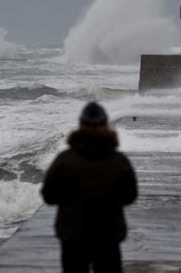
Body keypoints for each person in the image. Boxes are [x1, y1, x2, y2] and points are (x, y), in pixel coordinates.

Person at [41, 102, 138, 273]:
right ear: (105, 124)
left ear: (81, 124)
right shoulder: (118, 161)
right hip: (108, 236)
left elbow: (48, 196)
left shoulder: (65, 159)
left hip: (73, 237)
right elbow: (130, 196)